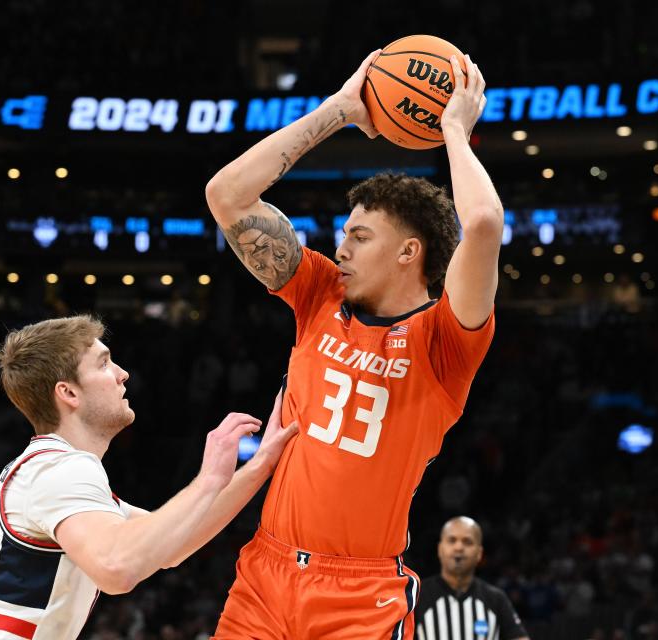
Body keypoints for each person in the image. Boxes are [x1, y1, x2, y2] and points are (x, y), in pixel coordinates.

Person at [205, 48, 501, 639]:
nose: (341, 248)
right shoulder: (318, 293)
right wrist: (340, 109)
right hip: (264, 574)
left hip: (360, 595)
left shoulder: (444, 341)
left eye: (360, 237)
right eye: (344, 234)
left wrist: (453, 133)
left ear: (408, 253)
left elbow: (486, 223)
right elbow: (227, 195)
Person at [0, 314, 298, 639]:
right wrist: (208, 480)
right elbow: (117, 569)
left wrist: (261, 462)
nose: (122, 374)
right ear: (68, 393)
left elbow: (173, 543)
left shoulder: (53, 471)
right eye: (103, 364)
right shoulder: (61, 470)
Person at [414, 517, 529, 640]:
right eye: (452, 540)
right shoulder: (417, 596)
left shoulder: (496, 599)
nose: (458, 547)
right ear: (440, 549)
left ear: (479, 553)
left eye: (467, 542)